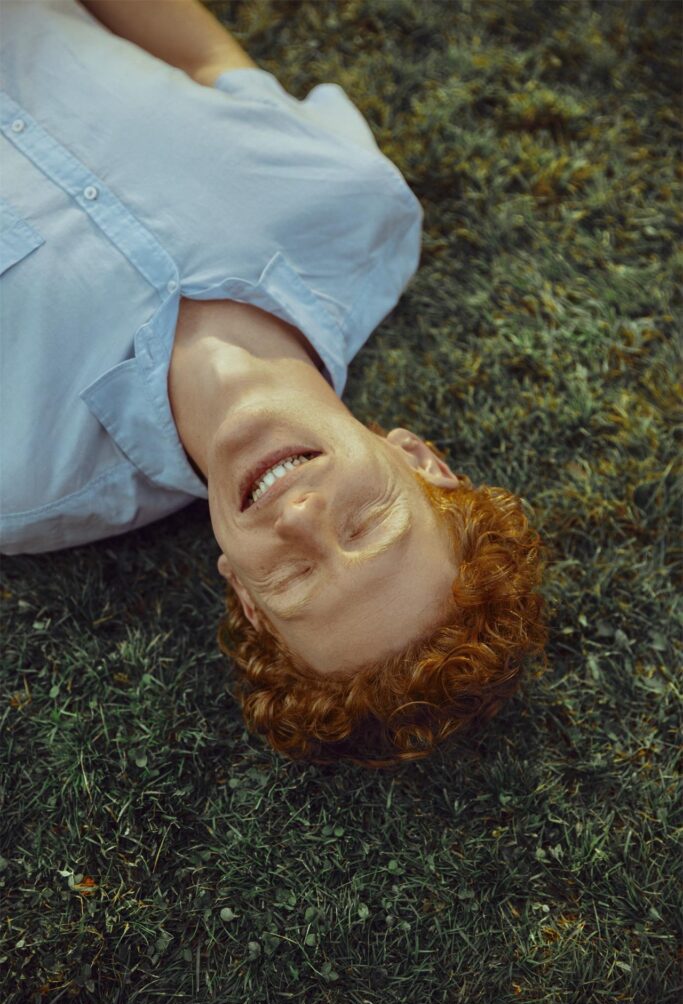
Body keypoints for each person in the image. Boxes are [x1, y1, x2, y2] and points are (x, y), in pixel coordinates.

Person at [0, 0, 548, 768]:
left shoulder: (23, 477)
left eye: (293, 576)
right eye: (364, 524)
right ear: (420, 462)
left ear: (245, 597)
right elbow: (203, 59)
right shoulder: (357, 208)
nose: (300, 518)